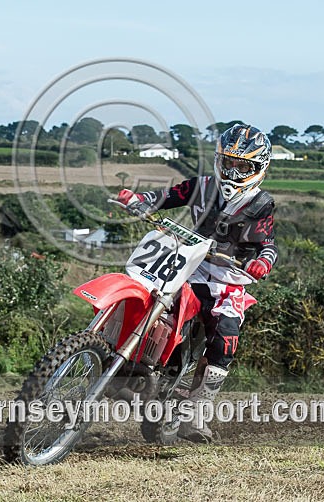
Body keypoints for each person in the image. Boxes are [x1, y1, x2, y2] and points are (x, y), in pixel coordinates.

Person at [115, 123, 278, 443]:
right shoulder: (203, 186)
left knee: (226, 334)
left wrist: (262, 262)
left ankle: (197, 411)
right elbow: (166, 197)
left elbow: (269, 244)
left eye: (241, 165)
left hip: (226, 278)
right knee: (146, 290)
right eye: (227, 162)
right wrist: (138, 199)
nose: (232, 171)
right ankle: (122, 359)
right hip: (189, 261)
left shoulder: (261, 204)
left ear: (258, 168)